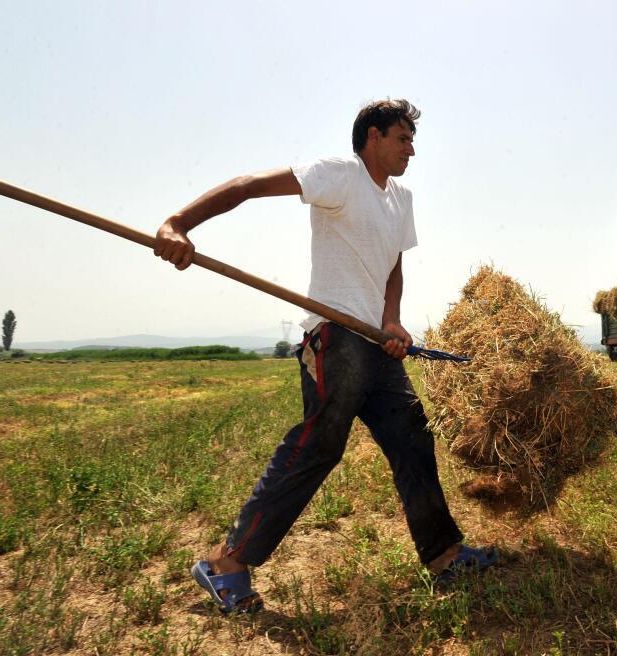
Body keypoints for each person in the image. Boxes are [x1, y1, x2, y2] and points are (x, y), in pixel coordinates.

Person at [154, 99, 496, 614]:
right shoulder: (339, 175)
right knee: (320, 445)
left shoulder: (401, 198)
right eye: (403, 138)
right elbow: (247, 185)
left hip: (377, 345)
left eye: (412, 140)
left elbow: (393, 267)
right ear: (373, 136)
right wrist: (178, 223)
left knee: (412, 437)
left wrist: (392, 320)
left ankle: (444, 555)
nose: (412, 149)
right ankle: (225, 565)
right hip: (334, 336)